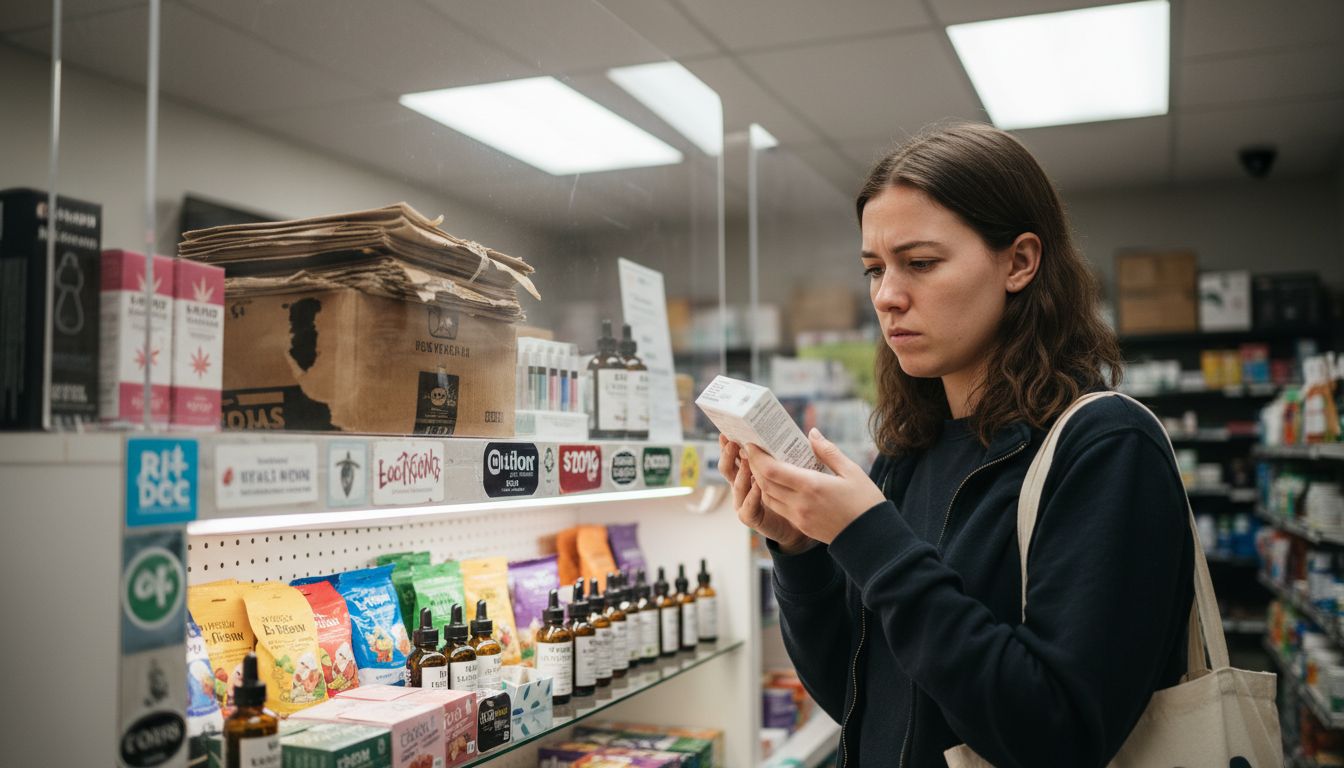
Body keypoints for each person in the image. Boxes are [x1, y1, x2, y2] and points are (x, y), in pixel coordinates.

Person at [719, 122, 1193, 767]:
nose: (887, 296)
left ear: (1020, 262)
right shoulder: (908, 454)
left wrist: (871, 541)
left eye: (920, 263)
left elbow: (1058, 737)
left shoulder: (1107, 447)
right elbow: (858, 700)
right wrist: (801, 551)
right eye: (873, 269)